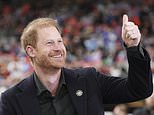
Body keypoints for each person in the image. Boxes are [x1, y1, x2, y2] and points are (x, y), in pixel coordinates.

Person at [0, 14, 153, 115]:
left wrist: (133, 47)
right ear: (31, 51)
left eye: (60, 41)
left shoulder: (89, 80)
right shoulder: (11, 100)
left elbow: (139, 90)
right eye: (49, 43)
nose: (58, 48)